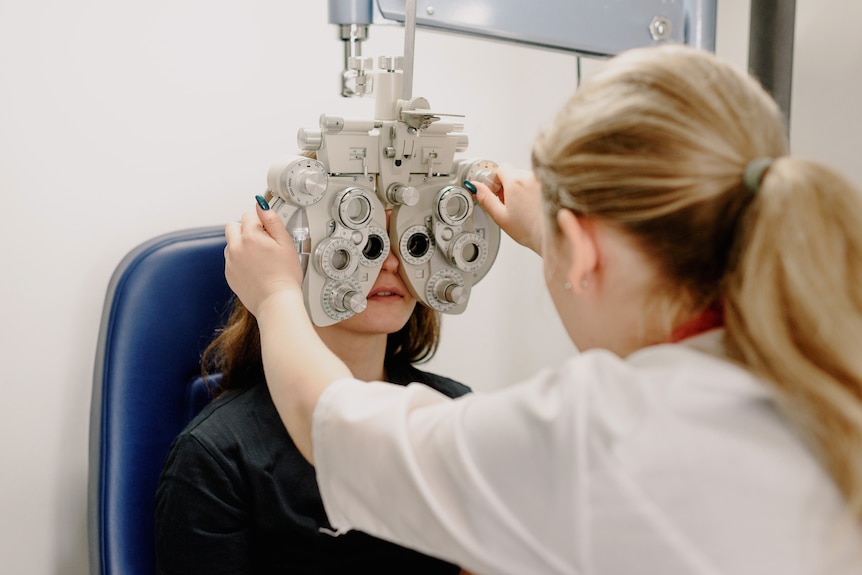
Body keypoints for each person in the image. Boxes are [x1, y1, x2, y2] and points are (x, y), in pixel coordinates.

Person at [223, 44, 862, 575]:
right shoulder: (824, 368)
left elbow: (338, 429)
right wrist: (553, 235)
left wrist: (277, 296)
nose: (388, 261)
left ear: (583, 251)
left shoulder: (600, 436)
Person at [154, 209, 472, 574]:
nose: (390, 262)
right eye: (363, 244)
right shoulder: (216, 458)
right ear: (294, 260)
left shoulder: (455, 411)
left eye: (410, 241)